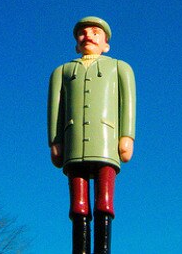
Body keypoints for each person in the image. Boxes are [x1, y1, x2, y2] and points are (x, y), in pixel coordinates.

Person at [47, 16, 136, 254]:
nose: (88, 36)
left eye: (95, 32)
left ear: (106, 43)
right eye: (83, 33)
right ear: (76, 43)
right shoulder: (62, 71)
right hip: (74, 142)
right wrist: (55, 141)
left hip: (106, 142)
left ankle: (103, 249)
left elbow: (128, 103)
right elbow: (55, 108)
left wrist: (127, 136)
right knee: (78, 202)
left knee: (104, 200)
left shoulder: (119, 67)